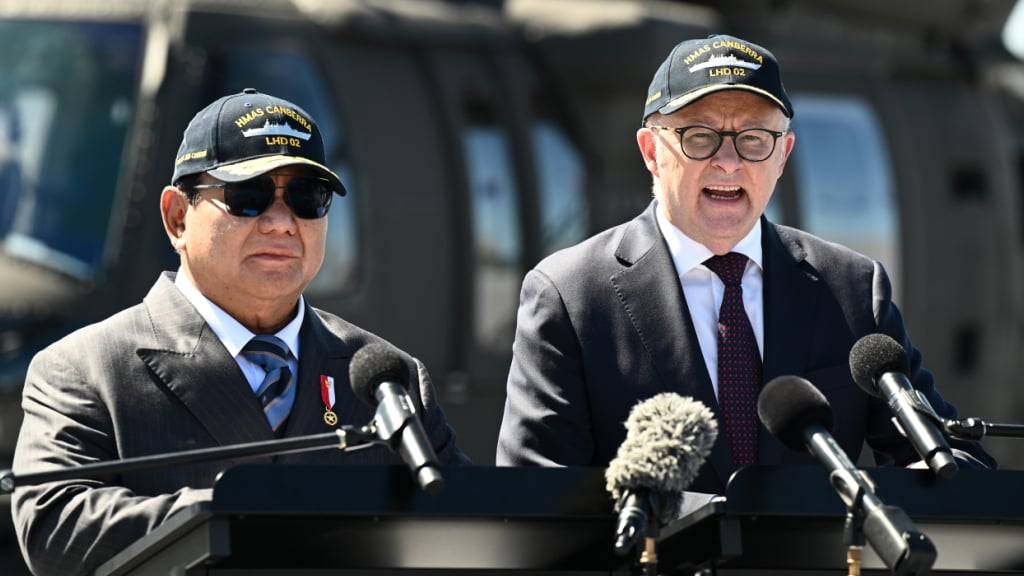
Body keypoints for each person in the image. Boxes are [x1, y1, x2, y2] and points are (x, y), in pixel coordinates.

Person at [496, 35, 993, 491]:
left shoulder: (852, 289)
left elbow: (948, 456)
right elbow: (534, 500)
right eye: (700, 136)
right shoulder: (570, 295)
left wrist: (934, 480)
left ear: (784, 155)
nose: (729, 162)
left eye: (754, 139)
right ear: (651, 151)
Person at [11, 89, 468, 576]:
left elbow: (472, 526)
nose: (280, 223)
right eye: (247, 197)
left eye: (306, 198)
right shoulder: (85, 368)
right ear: (177, 217)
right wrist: (238, 515)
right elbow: (54, 528)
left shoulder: (387, 378)